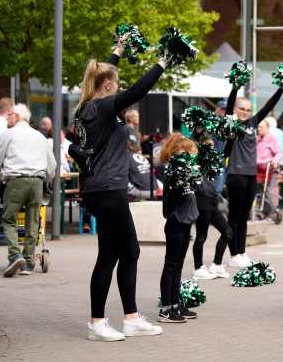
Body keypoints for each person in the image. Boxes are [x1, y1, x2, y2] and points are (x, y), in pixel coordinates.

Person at [76, 36, 168, 341]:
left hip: (103, 188)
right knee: (109, 255)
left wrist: (116, 52)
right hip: (107, 188)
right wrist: (163, 62)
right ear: (107, 86)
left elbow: (104, 73)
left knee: (130, 250)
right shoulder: (102, 108)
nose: (119, 85)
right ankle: (96, 323)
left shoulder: (88, 107)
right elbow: (139, 90)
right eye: (116, 82)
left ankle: (130, 318)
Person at [224, 82, 283, 267]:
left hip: (251, 175)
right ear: (235, 109)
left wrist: (281, 88)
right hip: (236, 174)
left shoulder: (252, 122)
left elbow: (268, 105)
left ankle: (242, 253)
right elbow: (230, 103)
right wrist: (235, 86)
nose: (245, 112)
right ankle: (233, 255)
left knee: (244, 216)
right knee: (234, 216)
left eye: (248, 110)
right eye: (241, 109)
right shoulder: (231, 122)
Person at [0, 103, 56, 277]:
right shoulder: (39, 136)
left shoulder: (8, 134)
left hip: (16, 181)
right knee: (32, 222)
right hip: (37, 182)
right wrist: (46, 180)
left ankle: (15, 254)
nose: (7, 118)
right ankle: (28, 264)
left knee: (8, 219)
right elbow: (51, 164)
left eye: (9, 115)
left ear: (16, 117)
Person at [158, 133, 200, 323]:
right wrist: (178, 184)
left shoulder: (187, 173)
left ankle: (175, 304)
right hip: (175, 223)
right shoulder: (172, 173)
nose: (191, 158)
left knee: (179, 265)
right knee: (171, 266)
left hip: (186, 223)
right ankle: (165, 309)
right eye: (187, 154)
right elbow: (169, 201)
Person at [191, 136, 232, 281]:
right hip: (201, 201)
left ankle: (217, 264)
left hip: (212, 203)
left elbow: (225, 153)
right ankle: (198, 268)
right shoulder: (196, 160)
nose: (211, 149)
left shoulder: (212, 161)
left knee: (227, 232)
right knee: (201, 236)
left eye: (213, 146)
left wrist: (231, 139)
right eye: (208, 146)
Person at [256, 119, 283, 221]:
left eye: (261, 127)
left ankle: (272, 213)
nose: (259, 129)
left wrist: (276, 160)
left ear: (267, 128)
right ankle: (264, 212)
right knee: (260, 191)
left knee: (269, 190)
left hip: (271, 168)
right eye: (258, 127)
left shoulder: (273, 138)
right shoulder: (257, 139)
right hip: (259, 169)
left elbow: (279, 152)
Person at [211, 100, 227, 196]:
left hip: (223, 162)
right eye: (222, 110)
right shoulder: (212, 123)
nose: (224, 112)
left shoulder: (227, 124)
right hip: (213, 162)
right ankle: (212, 210)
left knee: (219, 189)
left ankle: (213, 209)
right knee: (215, 189)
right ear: (216, 110)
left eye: (226, 110)